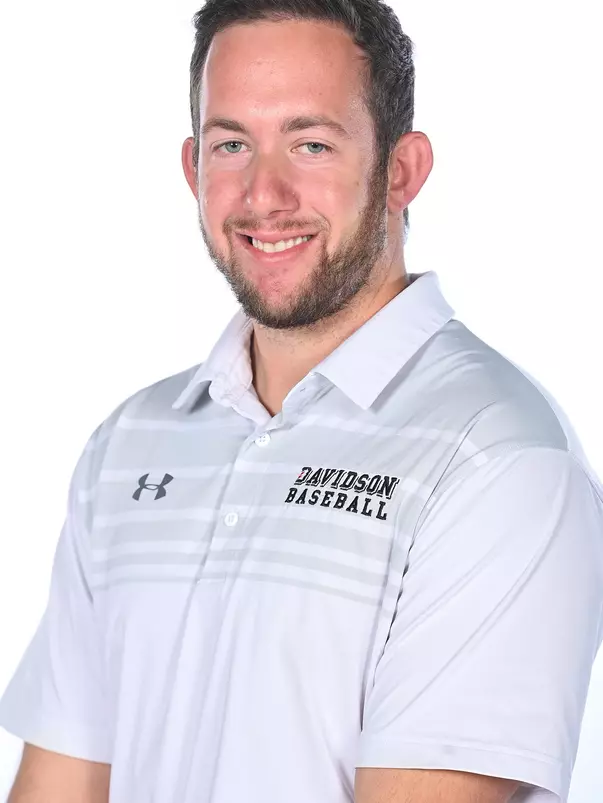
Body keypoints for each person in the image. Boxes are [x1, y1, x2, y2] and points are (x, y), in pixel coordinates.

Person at [1, 1, 602, 801]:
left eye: (310, 143)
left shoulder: (497, 457)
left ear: (401, 169)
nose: (264, 193)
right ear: (192, 167)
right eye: (231, 145)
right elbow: (58, 786)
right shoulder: (129, 445)